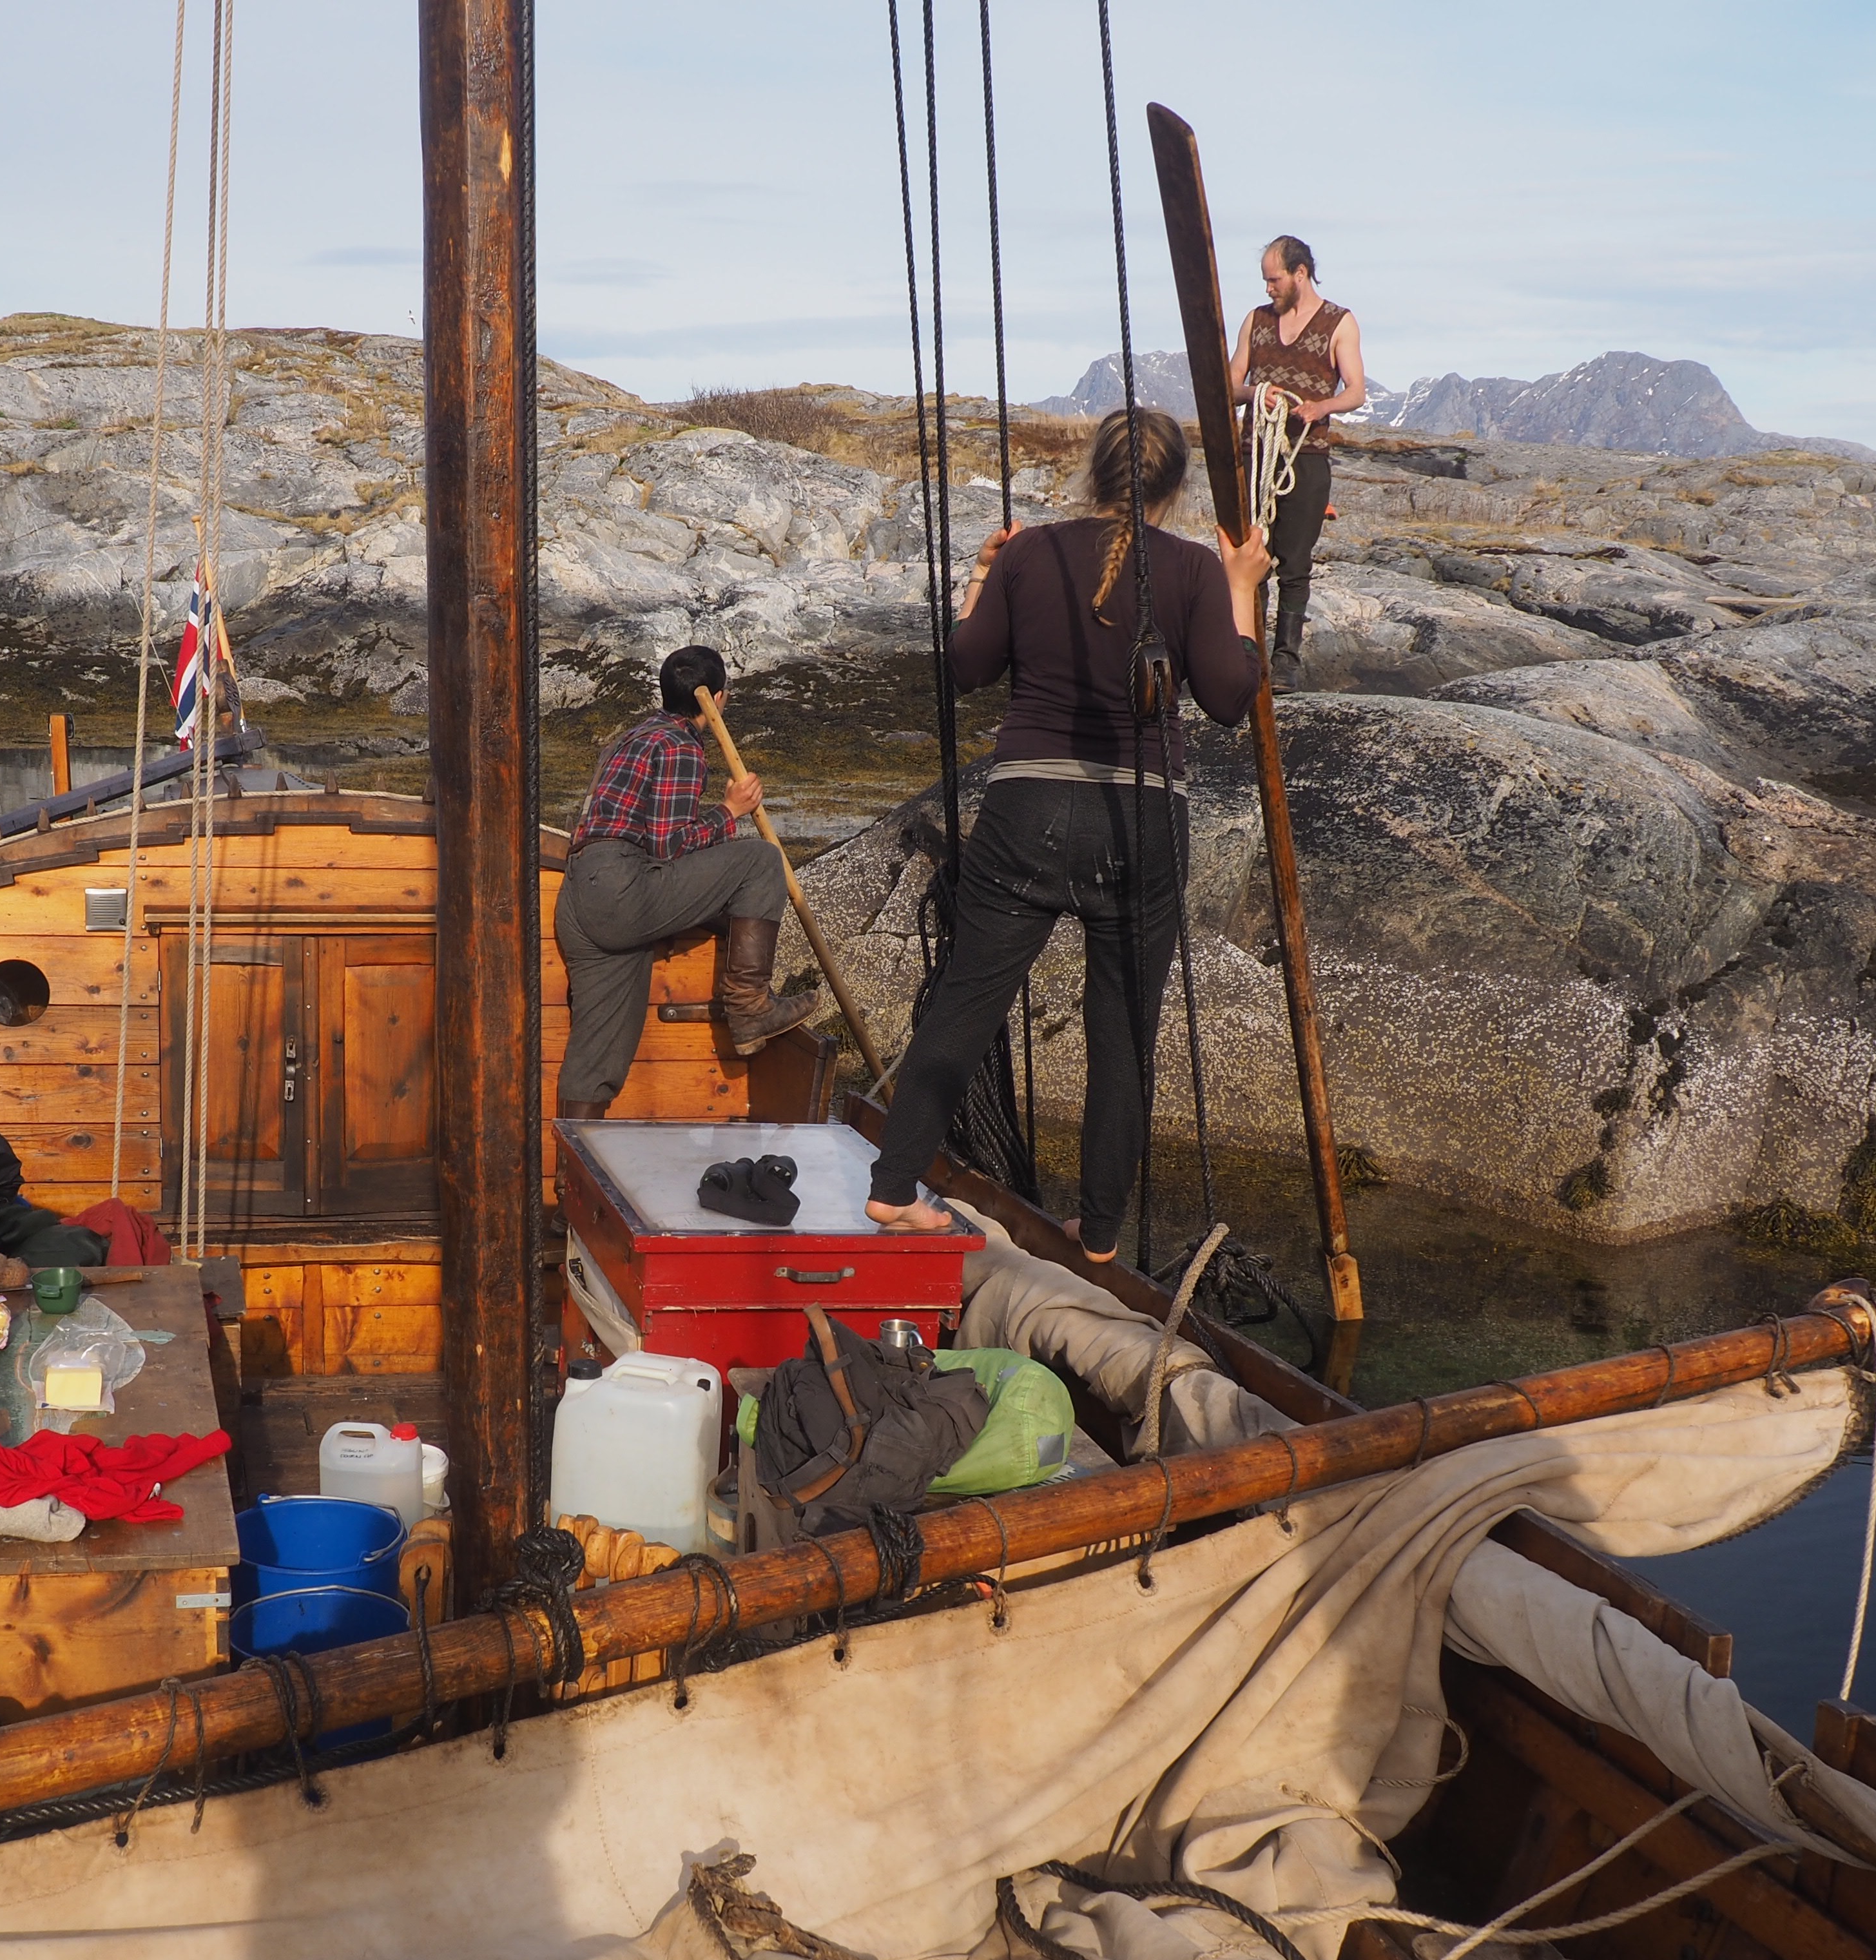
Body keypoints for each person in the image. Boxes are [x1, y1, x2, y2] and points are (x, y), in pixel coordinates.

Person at [863, 409, 1268, 1256]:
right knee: (1122, 1035)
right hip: (1142, 818)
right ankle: (1100, 1235)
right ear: (1176, 486)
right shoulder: (1193, 568)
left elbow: (968, 665)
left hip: (1027, 808)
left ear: (1092, 471)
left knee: (965, 1002)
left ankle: (893, 1190)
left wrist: (983, 575)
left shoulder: (1031, 553)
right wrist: (1242, 587)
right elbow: (1232, 697)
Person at [554, 645, 821, 1119]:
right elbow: (668, 847)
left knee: (598, 1056)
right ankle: (750, 1009)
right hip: (624, 887)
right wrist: (731, 811)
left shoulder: (632, 735)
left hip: (580, 896)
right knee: (760, 861)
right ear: (715, 699)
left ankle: (568, 1161)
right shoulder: (680, 745)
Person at [1225, 233, 1364, 684]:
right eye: (1266, 281)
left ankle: (1286, 662)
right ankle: (1248, 655)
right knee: (1252, 555)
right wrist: (1256, 394)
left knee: (1294, 562)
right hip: (1255, 455)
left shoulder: (1339, 322)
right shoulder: (1256, 320)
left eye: (1275, 280)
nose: (1269, 289)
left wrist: (1321, 407)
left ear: (1300, 274)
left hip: (1307, 457)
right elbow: (1229, 385)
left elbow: (1356, 392)